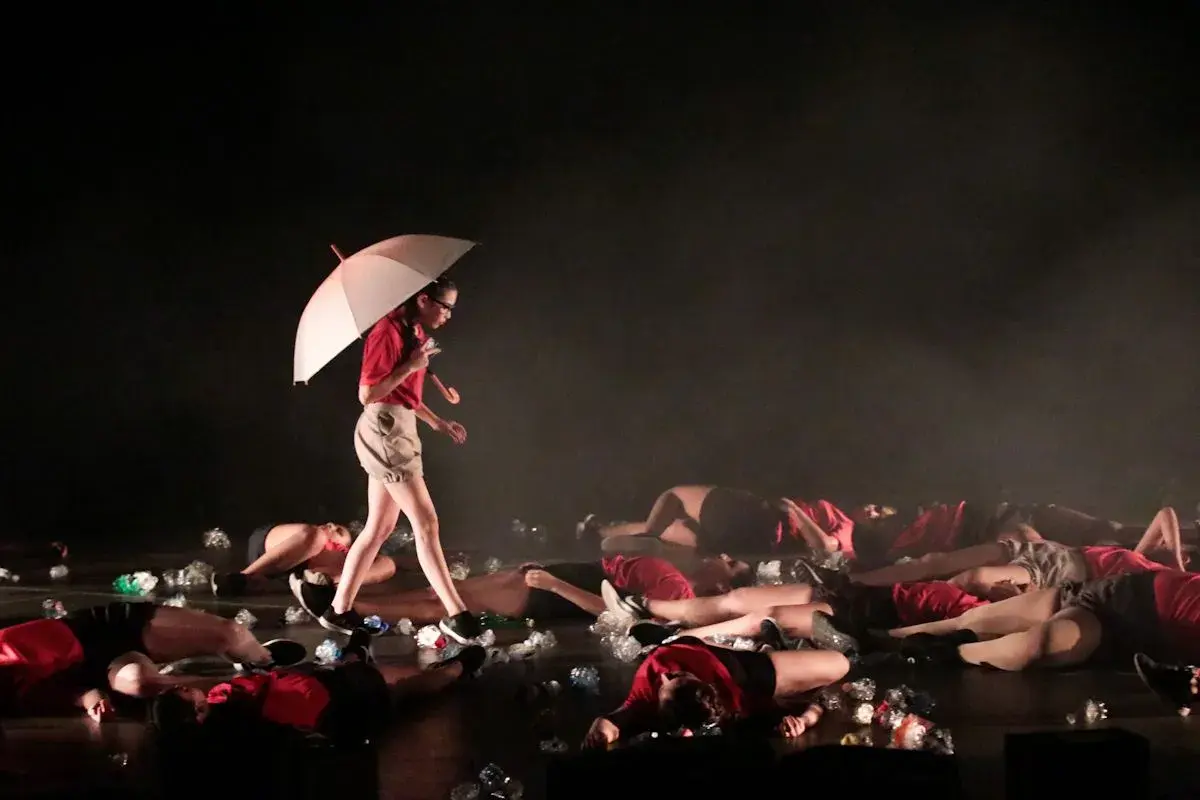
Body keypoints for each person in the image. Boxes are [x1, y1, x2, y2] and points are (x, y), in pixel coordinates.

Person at [320, 276, 479, 643]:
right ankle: (456, 614)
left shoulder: (413, 332)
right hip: (385, 431)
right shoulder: (387, 330)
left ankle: (338, 609)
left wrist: (438, 422)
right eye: (445, 307)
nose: (448, 315)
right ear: (423, 299)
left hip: (401, 427)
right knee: (426, 523)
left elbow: (406, 396)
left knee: (379, 527)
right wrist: (410, 365)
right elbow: (368, 394)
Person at [808, 567, 1200, 672]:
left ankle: (907, 655)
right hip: (1116, 590)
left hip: (1128, 631)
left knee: (1040, 644)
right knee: (978, 617)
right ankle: (878, 639)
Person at [150, 631, 486, 746]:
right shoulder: (229, 720)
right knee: (407, 687)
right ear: (196, 715)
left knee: (359, 671)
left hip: (323, 688)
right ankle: (459, 667)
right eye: (184, 692)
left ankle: (356, 653)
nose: (187, 687)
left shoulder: (219, 702)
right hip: (338, 706)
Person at [0, 602, 305, 720]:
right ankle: (252, 684)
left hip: (101, 629)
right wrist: (88, 698)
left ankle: (259, 657)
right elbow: (52, 695)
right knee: (141, 683)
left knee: (231, 635)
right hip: (101, 669)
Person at [292, 554, 753, 625]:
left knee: (448, 602)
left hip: (551, 592)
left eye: (731, 563)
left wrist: (553, 583)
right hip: (548, 579)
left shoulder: (677, 591)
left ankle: (349, 609)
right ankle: (346, 603)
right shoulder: (674, 573)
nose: (723, 554)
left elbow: (616, 612)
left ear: (722, 583)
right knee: (447, 591)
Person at [850, 507, 1185, 598]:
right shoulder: (1151, 562)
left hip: (1059, 574)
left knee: (974, 579)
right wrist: (1180, 564)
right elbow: (1165, 514)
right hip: (1049, 551)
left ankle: (891, 599)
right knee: (932, 562)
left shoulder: (1154, 585)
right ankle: (855, 581)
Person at [581, 637, 848, 747]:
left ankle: (766, 642)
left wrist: (602, 724)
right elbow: (814, 706)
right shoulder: (738, 704)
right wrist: (803, 721)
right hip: (732, 663)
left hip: (710, 651)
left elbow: (616, 718)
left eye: (674, 677)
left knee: (839, 663)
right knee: (839, 664)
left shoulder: (650, 679)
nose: (666, 674)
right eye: (674, 678)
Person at [611, 572, 987, 649]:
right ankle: (642, 605)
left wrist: (884, 639)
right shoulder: (965, 585)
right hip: (853, 593)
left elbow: (944, 629)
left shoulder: (976, 610)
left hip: (864, 619)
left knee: (767, 617)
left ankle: (673, 638)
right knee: (739, 597)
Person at [579, 486, 858, 559]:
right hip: (748, 541)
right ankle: (601, 534)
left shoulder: (848, 530)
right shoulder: (842, 521)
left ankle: (643, 535)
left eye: (877, 514)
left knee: (675, 496)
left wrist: (795, 510)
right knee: (670, 528)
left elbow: (824, 546)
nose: (873, 509)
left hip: (758, 521)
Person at [210, 522, 402, 598]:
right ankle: (242, 578)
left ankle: (326, 582)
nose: (331, 525)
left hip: (306, 574)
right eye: (330, 524)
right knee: (315, 536)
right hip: (272, 549)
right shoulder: (313, 534)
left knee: (388, 564)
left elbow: (386, 565)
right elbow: (312, 535)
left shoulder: (346, 555)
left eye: (339, 531)